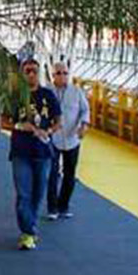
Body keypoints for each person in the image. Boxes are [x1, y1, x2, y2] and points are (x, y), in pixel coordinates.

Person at [0, 53, 60, 251]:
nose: (31, 74)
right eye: (27, 71)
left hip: (43, 152)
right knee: (23, 194)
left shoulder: (48, 95)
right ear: (22, 74)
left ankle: (30, 227)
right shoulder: (15, 97)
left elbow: (58, 121)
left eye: (35, 71)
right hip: (21, 152)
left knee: (37, 193)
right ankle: (28, 231)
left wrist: (48, 131)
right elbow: (2, 121)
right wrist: (19, 126)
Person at [42, 62, 92, 219]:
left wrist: (84, 125)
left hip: (72, 139)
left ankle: (63, 206)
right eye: (59, 73)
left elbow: (85, 110)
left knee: (70, 174)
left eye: (65, 73)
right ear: (53, 75)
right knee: (52, 173)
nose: (62, 76)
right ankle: (52, 208)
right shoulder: (47, 91)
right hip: (53, 138)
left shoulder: (76, 91)